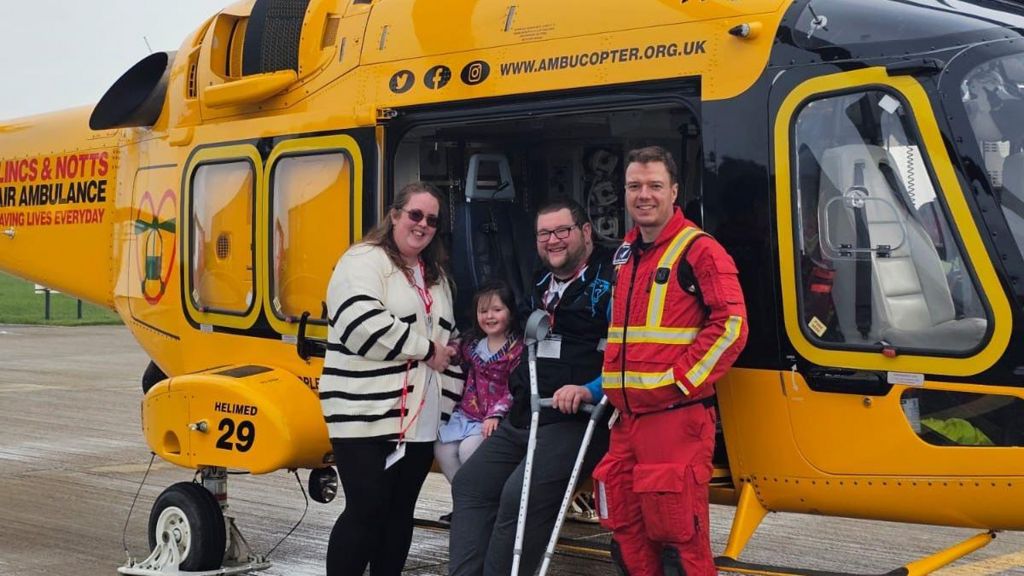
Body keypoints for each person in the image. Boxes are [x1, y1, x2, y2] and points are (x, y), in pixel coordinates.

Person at [593, 146, 748, 576]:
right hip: (626, 423)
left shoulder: (700, 250)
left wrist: (680, 382)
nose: (644, 195)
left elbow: (732, 326)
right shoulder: (626, 253)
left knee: (681, 545)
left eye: (654, 186)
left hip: (675, 421)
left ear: (674, 191)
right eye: (634, 186)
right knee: (626, 536)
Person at [448, 198, 613, 576]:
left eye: (562, 231)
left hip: (578, 418)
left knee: (518, 497)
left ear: (585, 232)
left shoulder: (610, 282)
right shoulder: (540, 284)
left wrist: (590, 388)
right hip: (527, 411)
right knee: (471, 485)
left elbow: (629, 355)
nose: (552, 240)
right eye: (544, 233)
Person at [320, 181, 462, 576]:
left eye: (432, 220)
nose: (422, 225)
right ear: (395, 215)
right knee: (366, 508)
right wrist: (426, 350)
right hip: (363, 411)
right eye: (415, 215)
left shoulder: (435, 276)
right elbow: (360, 323)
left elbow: (446, 336)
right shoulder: (363, 260)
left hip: (418, 416)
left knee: (400, 513)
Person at [435, 280, 524, 483]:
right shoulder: (473, 343)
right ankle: (463, 503)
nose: (489, 316)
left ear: (510, 312)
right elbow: (458, 352)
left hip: (496, 420)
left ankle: (482, 505)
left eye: (497, 309)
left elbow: (516, 387)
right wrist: (448, 351)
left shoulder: (518, 350)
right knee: (442, 448)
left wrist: (496, 414)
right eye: (483, 311)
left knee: (469, 450)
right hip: (468, 414)